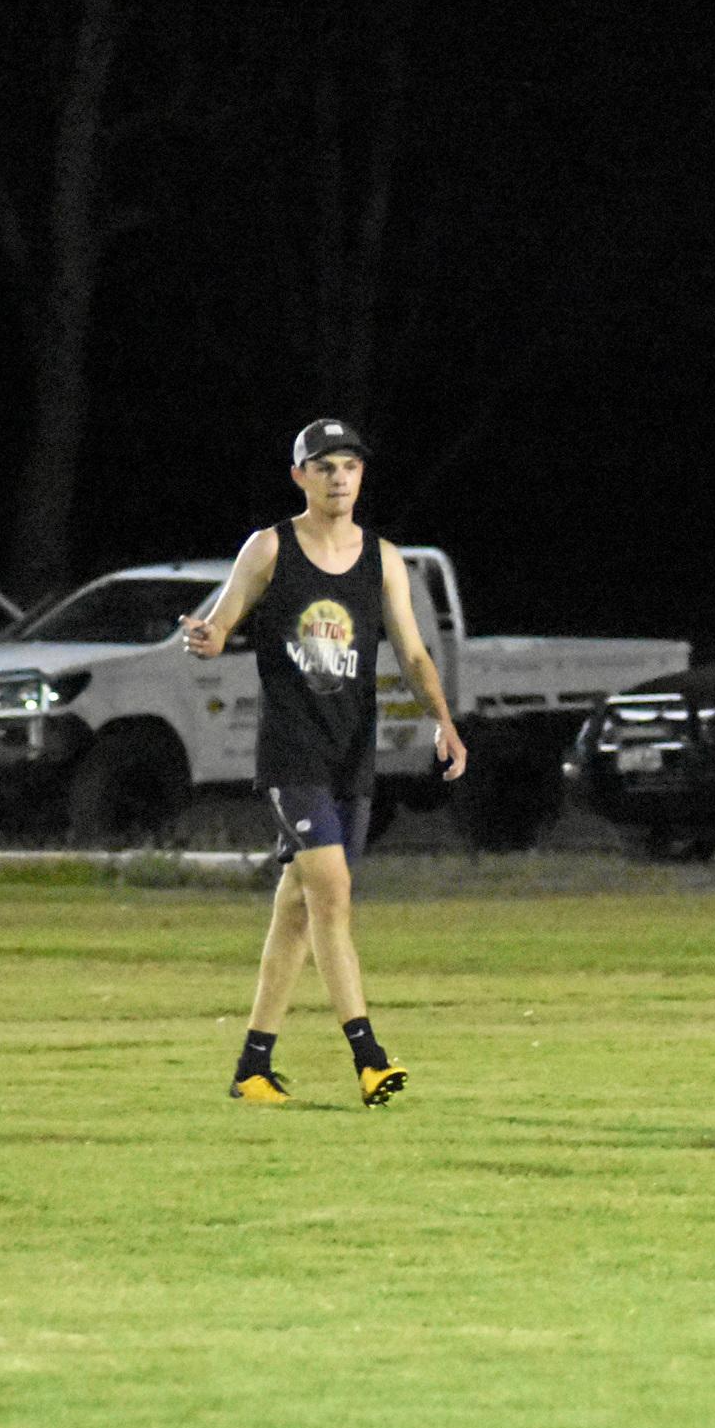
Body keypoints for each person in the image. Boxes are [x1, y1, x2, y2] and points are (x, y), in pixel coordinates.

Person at [180, 418, 468, 1105]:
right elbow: (221, 625)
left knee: (299, 911)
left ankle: (252, 1067)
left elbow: (412, 651)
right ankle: (368, 1058)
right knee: (332, 893)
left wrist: (444, 723)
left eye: (350, 466)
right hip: (291, 753)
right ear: (300, 476)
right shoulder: (270, 547)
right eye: (326, 466)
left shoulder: (383, 558)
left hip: (349, 755)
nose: (340, 477)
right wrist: (206, 638)